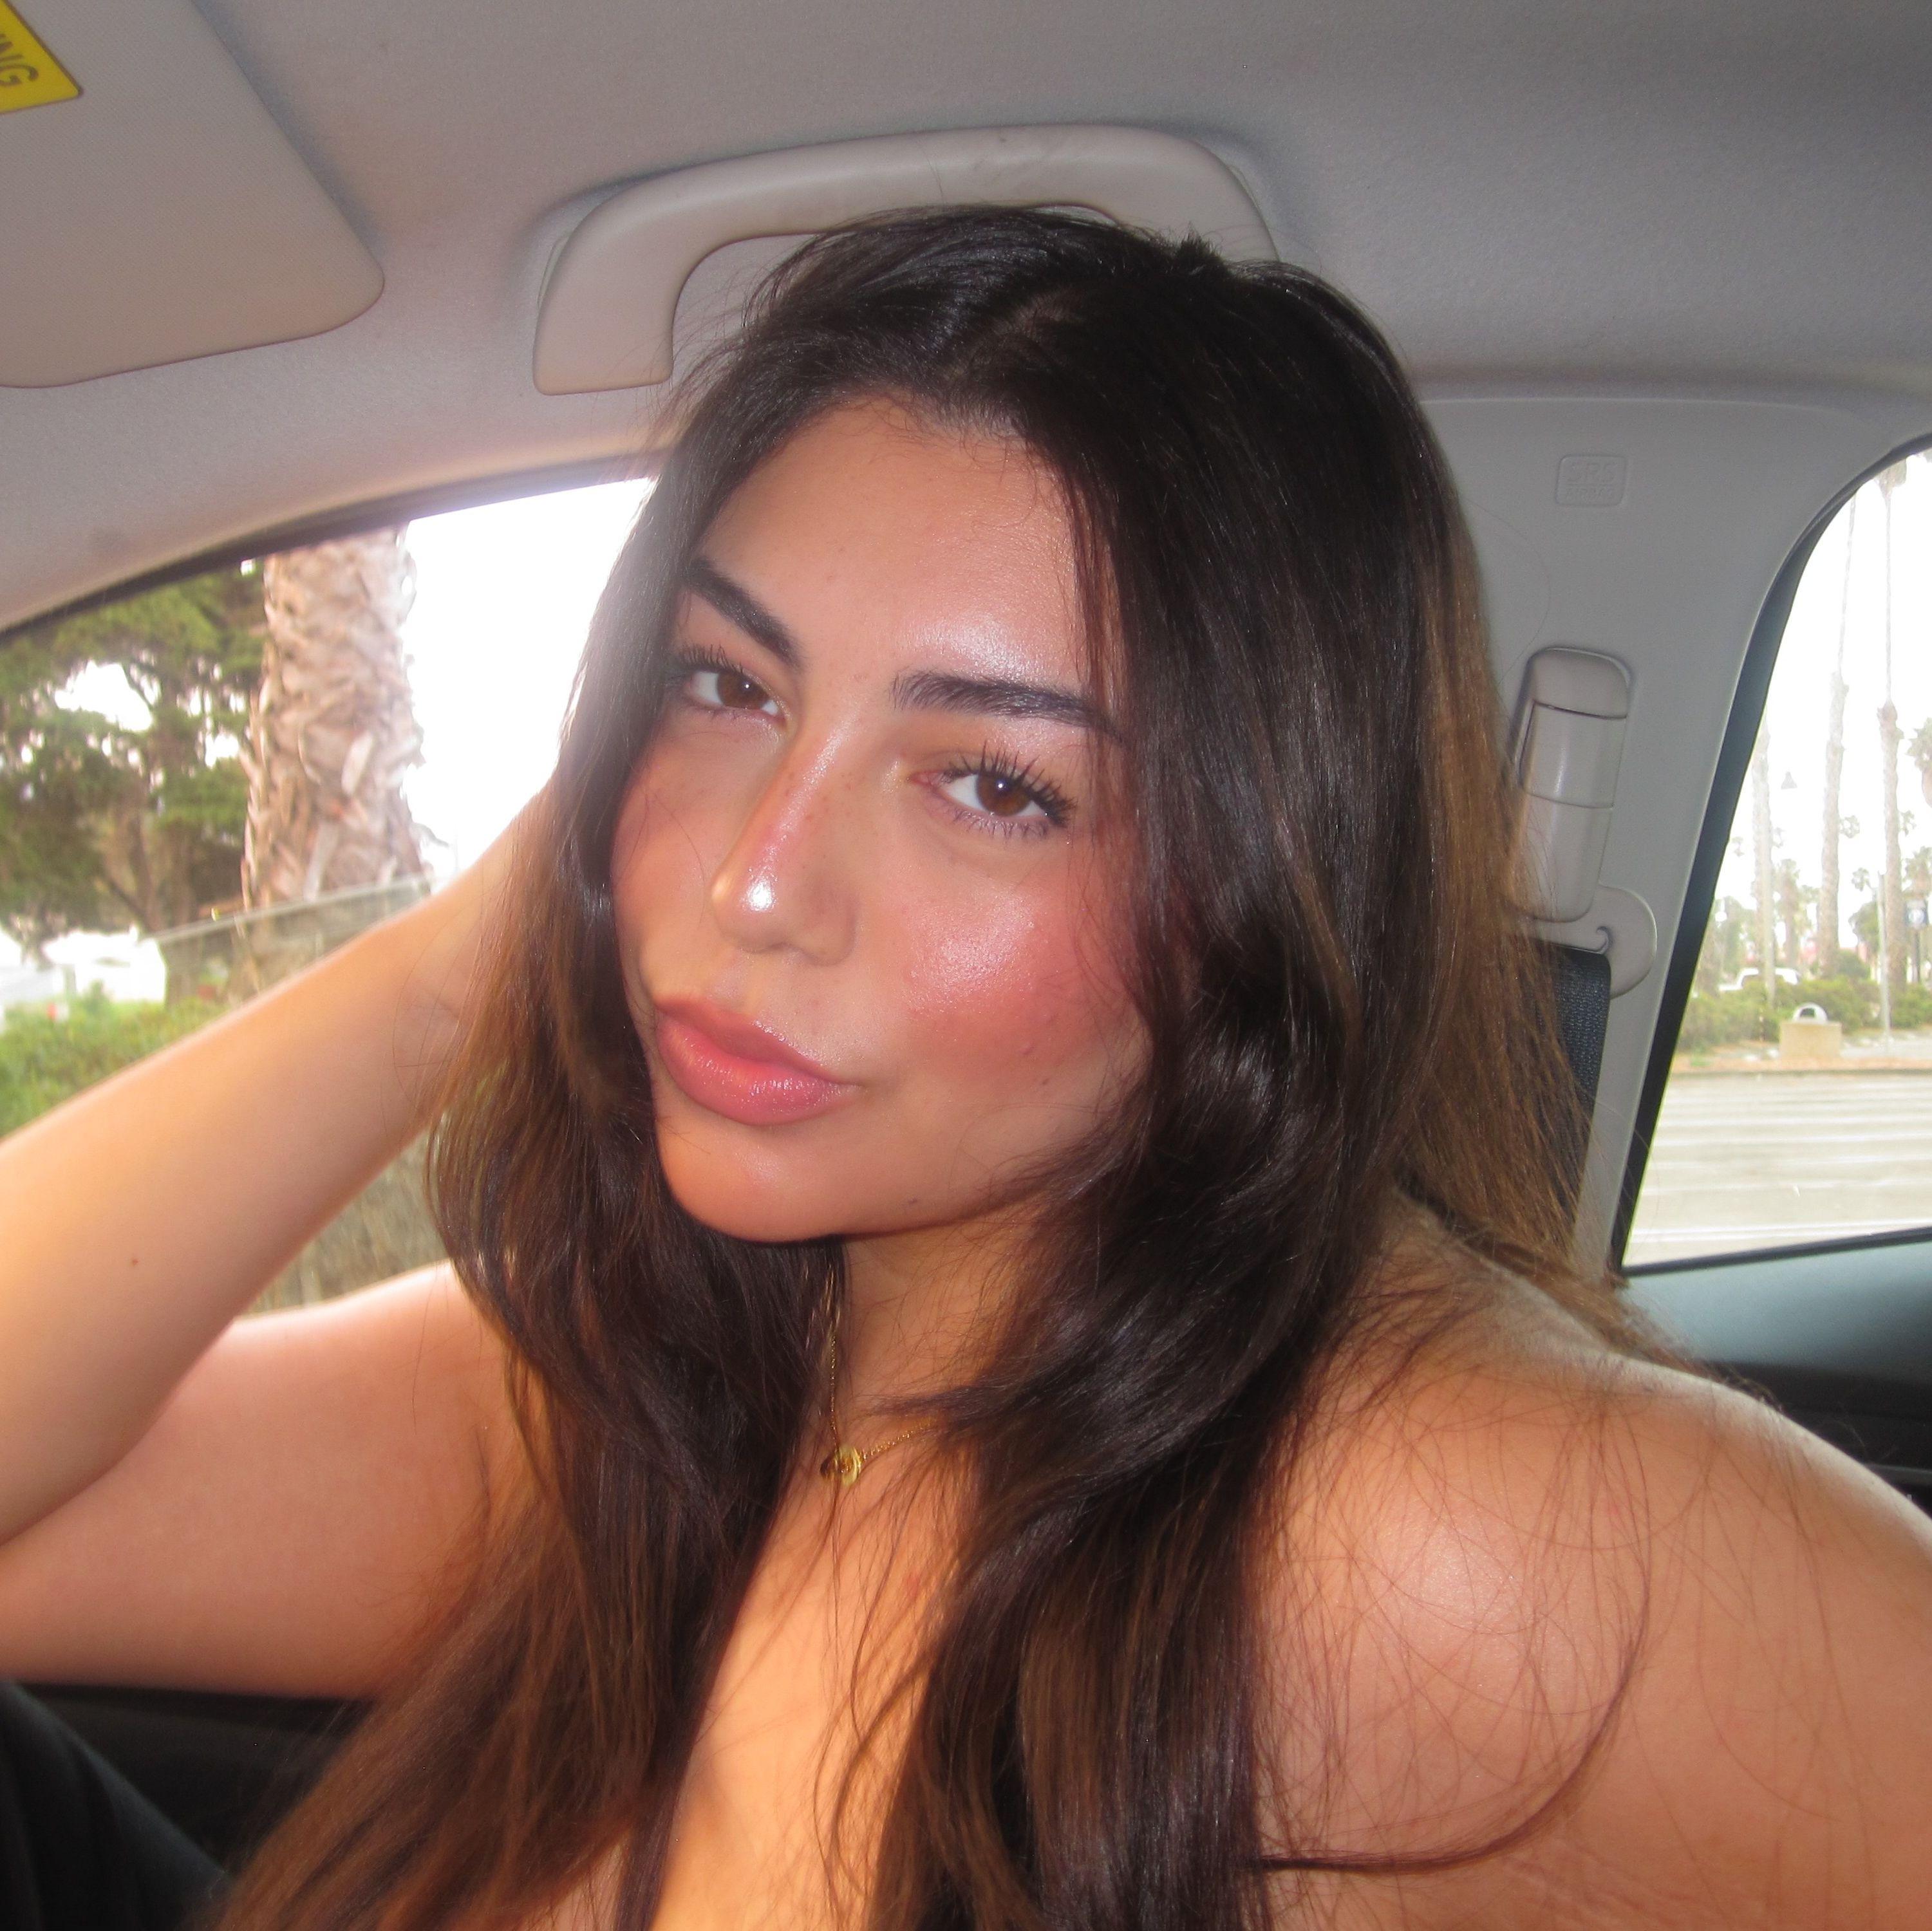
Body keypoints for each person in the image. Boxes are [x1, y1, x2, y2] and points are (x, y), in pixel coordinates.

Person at [1, 207, 1929, 1931]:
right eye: (725, 684)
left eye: (999, 786)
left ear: (1264, 892)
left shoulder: (1431, 1525)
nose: (755, 881)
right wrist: (463, 964)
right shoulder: (663, 1380)